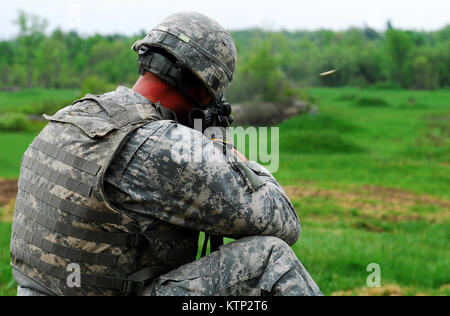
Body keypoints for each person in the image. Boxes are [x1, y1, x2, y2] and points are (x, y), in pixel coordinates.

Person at [10, 12, 322, 296]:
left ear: (145, 58)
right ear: (203, 91)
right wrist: (224, 147)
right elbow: (283, 220)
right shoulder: (164, 145)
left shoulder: (73, 115)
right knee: (270, 259)